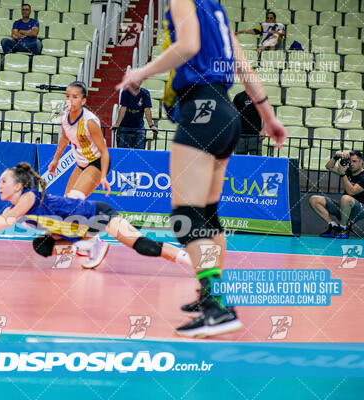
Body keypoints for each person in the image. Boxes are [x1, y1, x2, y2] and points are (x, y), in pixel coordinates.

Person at [117, 0, 286, 337]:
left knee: (185, 217)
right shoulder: (219, 14)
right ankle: (210, 295)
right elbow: (245, 69)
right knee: (208, 216)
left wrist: (141, 72)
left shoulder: (183, 1)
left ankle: (216, 307)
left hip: (200, 110)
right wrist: (268, 117)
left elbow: (189, 45)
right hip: (226, 113)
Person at [0, 163, 191, 270]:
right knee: (42, 245)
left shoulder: (30, 198)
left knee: (143, 246)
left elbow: (2, 222)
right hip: (76, 231)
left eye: (3, 181)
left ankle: (192, 260)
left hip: (99, 215)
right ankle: (87, 244)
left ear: (19, 186)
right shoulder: (12, 210)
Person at [48, 82, 110, 200]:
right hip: (81, 163)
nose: (70, 100)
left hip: (96, 162)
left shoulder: (89, 121)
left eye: (75, 97)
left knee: (74, 199)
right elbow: (65, 137)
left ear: (83, 101)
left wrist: (103, 177)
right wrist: (56, 159)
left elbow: (104, 151)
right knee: (66, 201)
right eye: (68, 96)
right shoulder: (64, 117)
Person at [309, 151, 364, 239]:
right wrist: (336, 157)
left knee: (346, 198)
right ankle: (333, 226)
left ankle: (343, 229)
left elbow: (352, 192)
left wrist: (343, 174)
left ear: (361, 162)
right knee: (314, 199)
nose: (352, 164)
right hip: (344, 207)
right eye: (350, 161)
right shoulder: (347, 171)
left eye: (354, 161)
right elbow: (329, 166)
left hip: (360, 210)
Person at [112, 84, 158, 149]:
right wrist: (117, 124)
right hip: (124, 128)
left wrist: (151, 125)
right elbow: (123, 108)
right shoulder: (125, 92)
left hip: (139, 129)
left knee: (139, 154)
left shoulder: (145, 93)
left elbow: (147, 109)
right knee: (122, 153)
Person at [233, 90, 262, 155]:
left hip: (255, 136)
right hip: (240, 136)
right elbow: (233, 115)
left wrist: (264, 130)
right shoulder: (238, 96)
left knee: (256, 162)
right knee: (240, 162)